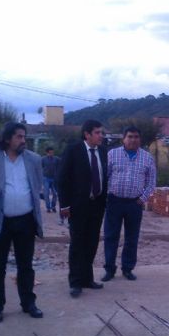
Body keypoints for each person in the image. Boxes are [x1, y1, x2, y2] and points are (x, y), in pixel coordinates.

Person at [0, 122, 44, 323]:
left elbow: (36, 185)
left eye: (24, 136)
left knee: (26, 265)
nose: (23, 140)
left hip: (26, 220)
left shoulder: (33, 159)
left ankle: (28, 303)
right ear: (6, 138)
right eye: (19, 137)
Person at [57, 120, 108, 298]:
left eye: (101, 133)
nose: (101, 136)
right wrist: (64, 204)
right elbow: (62, 179)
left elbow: (104, 176)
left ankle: (87, 279)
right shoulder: (73, 150)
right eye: (97, 133)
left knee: (92, 243)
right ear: (87, 134)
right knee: (78, 244)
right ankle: (75, 282)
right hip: (78, 206)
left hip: (97, 205)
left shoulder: (103, 151)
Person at [102, 126, 156, 282]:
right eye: (130, 136)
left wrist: (142, 199)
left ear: (140, 139)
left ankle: (127, 269)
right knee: (111, 236)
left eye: (136, 137)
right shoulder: (112, 154)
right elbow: (104, 177)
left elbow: (151, 182)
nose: (133, 140)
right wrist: (106, 197)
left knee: (132, 238)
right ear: (123, 138)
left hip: (134, 204)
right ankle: (109, 269)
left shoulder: (147, 158)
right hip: (114, 202)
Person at [41, 146, 60, 214]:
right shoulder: (43, 159)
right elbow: (40, 167)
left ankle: (53, 206)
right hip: (46, 178)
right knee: (46, 194)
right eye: (50, 153)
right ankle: (48, 208)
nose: (51, 154)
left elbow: (61, 165)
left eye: (52, 152)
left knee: (55, 194)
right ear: (47, 153)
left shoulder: (56, 159)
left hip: (54, 179)